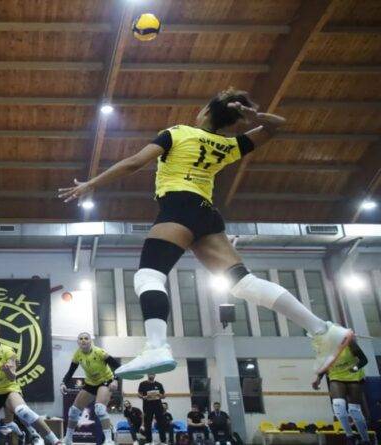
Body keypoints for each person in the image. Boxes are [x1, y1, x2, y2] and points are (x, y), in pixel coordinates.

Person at [58, 87, 353, 379]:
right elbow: (277, 125)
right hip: (206, 215)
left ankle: (156, 347)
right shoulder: (230, 145)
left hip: (178, 207)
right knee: (243, 283)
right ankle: (322, 330)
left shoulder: (178, 133)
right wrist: (254, 116)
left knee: (148, 277)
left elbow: (134, 162)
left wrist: (91, 184)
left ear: (206, 112)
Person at [60, 332, 119, 445]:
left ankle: (108, 440)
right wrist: (63, 383)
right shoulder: (77, 354)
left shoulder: (100, 352)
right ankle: (68, 439)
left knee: (100, 409)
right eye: (81, 339)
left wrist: (115, 380)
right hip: (90, 383)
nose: (83, 340)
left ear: (90, 341)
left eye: (86, 338)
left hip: (105, 381)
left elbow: (118, 366)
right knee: (73, 411)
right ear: (78, 342)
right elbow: (70, 372)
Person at [313, 339, 371, 445]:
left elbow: (364, 360)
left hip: (353, 377)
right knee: (338, 406)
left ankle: (365, 439)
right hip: (336, 377)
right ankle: (349, 436)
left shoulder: (349, 343)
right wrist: (318, 379)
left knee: (354, 411)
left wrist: (355, 368)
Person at [138, 374, 165, 443]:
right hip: (147, 406)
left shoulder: (159, 384)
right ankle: (149, 441)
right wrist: (143, 397)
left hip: (158, 406)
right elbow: (139, 394)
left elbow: (164, 395)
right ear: (148, 375)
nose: (151, 375)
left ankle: (163, 441)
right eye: (150, 374)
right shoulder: (142, 384)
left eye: (153, 374)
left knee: (161, 424)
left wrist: (160, 395)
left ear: (155, 375)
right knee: (147, 424)